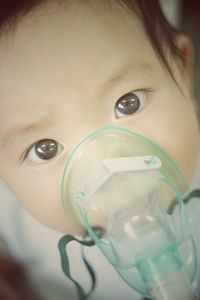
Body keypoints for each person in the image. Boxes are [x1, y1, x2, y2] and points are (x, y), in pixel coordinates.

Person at [0, 1, 199, 299]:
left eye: (128, 103)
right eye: (45, 149)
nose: (108, 168)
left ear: (182, 70)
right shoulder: (10, 221)